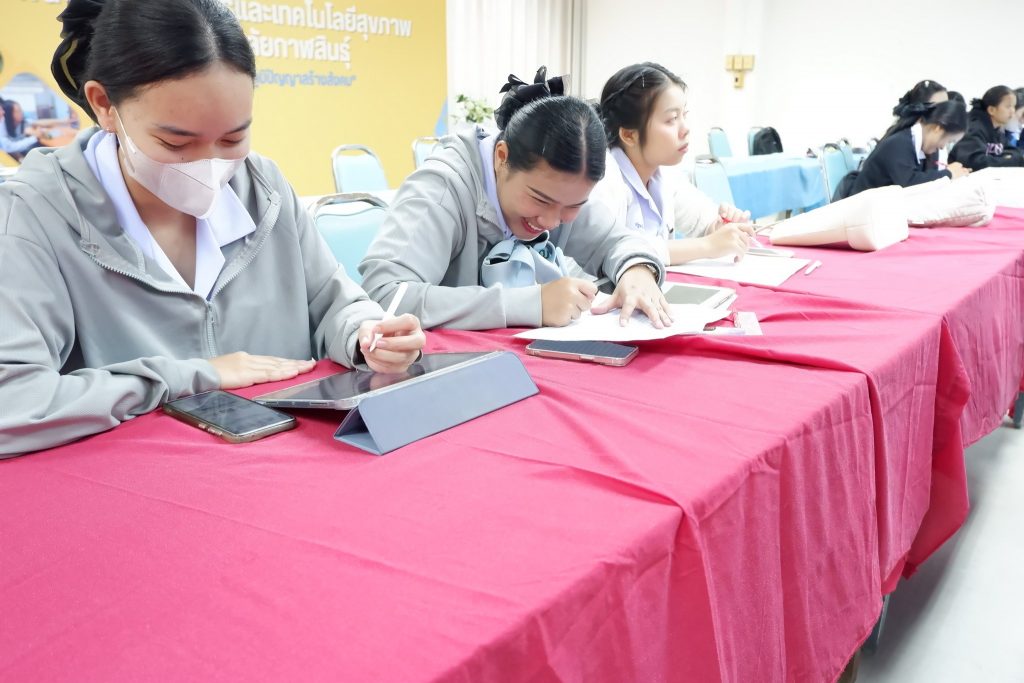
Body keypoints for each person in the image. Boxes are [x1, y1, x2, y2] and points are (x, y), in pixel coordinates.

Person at [0, 0, 425, 457]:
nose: (209, 165)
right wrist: (196, 375)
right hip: (136, 479)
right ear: (104, 105)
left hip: (286, 463)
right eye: (175, 142)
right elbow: (13, 402)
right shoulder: (35, 214)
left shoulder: (263, 188)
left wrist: (366, 335)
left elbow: (331, 304)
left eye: (233, 138)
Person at [359, 67, 671, 330]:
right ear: (501, 157)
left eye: (573, 207)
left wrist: (637, 270)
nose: (551, 221)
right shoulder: (442, 191)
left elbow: (614, 241)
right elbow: (385, 296)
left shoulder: (558, 191)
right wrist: (529, 304)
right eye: (540, 200)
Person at [593, 62, 755, 265]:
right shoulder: (603, 179)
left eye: (684, 115)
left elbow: (703, 221)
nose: (685, 129)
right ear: (628, 135)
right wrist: (708, 245)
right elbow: (608, 253)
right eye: (671, 119)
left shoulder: (662, 175)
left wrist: (720, 226)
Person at [850, 101, 969, 195]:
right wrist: (949, 173)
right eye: (948, 141)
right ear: (937, 129)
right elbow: (909, 184)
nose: (943, 147)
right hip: (863, 211)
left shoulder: (923, 147)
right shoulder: (899, 144)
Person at [949, 86, 1024, 169]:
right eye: (1008, 106)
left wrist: (1005, 159)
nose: (1012, 111)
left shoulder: (997, 130)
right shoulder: (973, 128)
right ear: (991, 110)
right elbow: (975, 162)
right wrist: (1009, 160)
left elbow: (1015, 153)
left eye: (1014, 106)